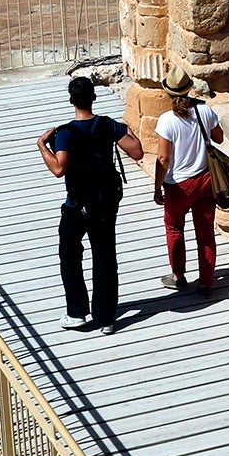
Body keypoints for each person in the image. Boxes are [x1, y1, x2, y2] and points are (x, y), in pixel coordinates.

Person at [36, 75, 142, 334]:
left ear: (71, 99)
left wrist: (42, 146)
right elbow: (137, 151)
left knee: (70, 256)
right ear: (93, 98)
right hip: (105, 203)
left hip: (76, 205)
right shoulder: (108, 126)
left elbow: (59, 168)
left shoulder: (65, 133)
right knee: (105, 257)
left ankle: (77, 313)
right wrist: (127, 131)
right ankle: (106, 318)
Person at [152, 64, 223, 299]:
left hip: (178, 186)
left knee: (174, 228)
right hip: (204, 179)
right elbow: (219, 138)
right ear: (189, 89)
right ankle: (207, 282)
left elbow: (163, 158)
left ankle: (178, 276)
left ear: (169, 93)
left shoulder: (166, 121)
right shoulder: (204, 111)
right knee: (205, 233)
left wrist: (157, 188)